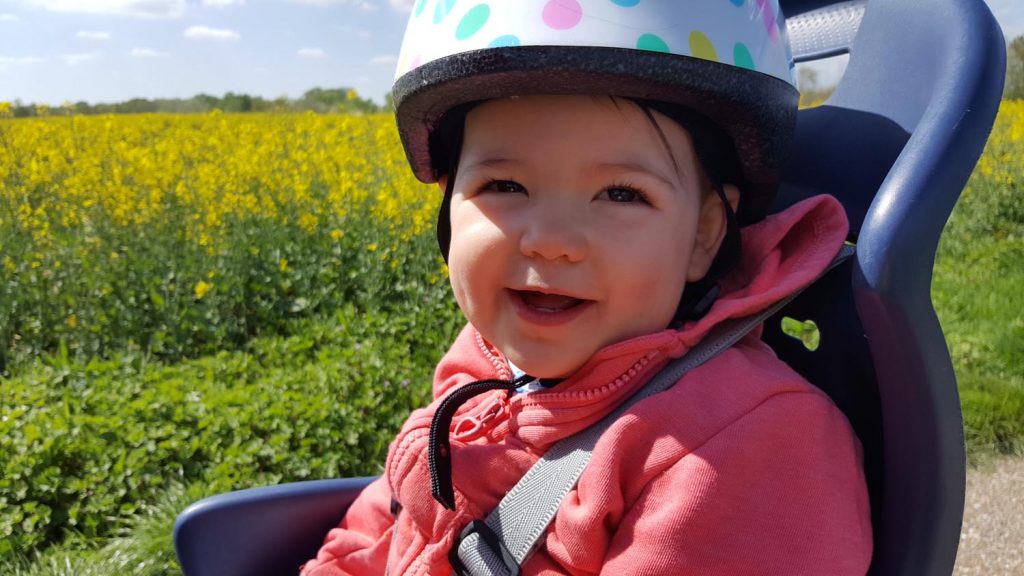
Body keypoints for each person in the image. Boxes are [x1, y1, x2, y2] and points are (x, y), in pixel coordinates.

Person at [302, 1, 872, 574]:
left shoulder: (747, 449)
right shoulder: (479, 365)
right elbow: (380, 528)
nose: (550, 242)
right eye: (504, 185)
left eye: (622, 194)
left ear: (704, 234)